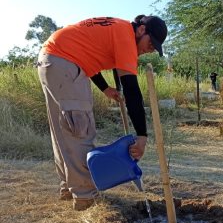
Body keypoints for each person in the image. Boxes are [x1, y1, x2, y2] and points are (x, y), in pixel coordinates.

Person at [37, 15, 167, 211]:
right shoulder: (125, 36)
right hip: (64, 62)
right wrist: (142, 135)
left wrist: (105, 88)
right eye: (151, 44)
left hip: (52, 60)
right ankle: (85, 197)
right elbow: (131, 90)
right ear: (141, 30)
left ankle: (69, 189)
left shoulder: (117, 29)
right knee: (79, 128)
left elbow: (87, 56)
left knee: (63, 130)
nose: (149, 50)